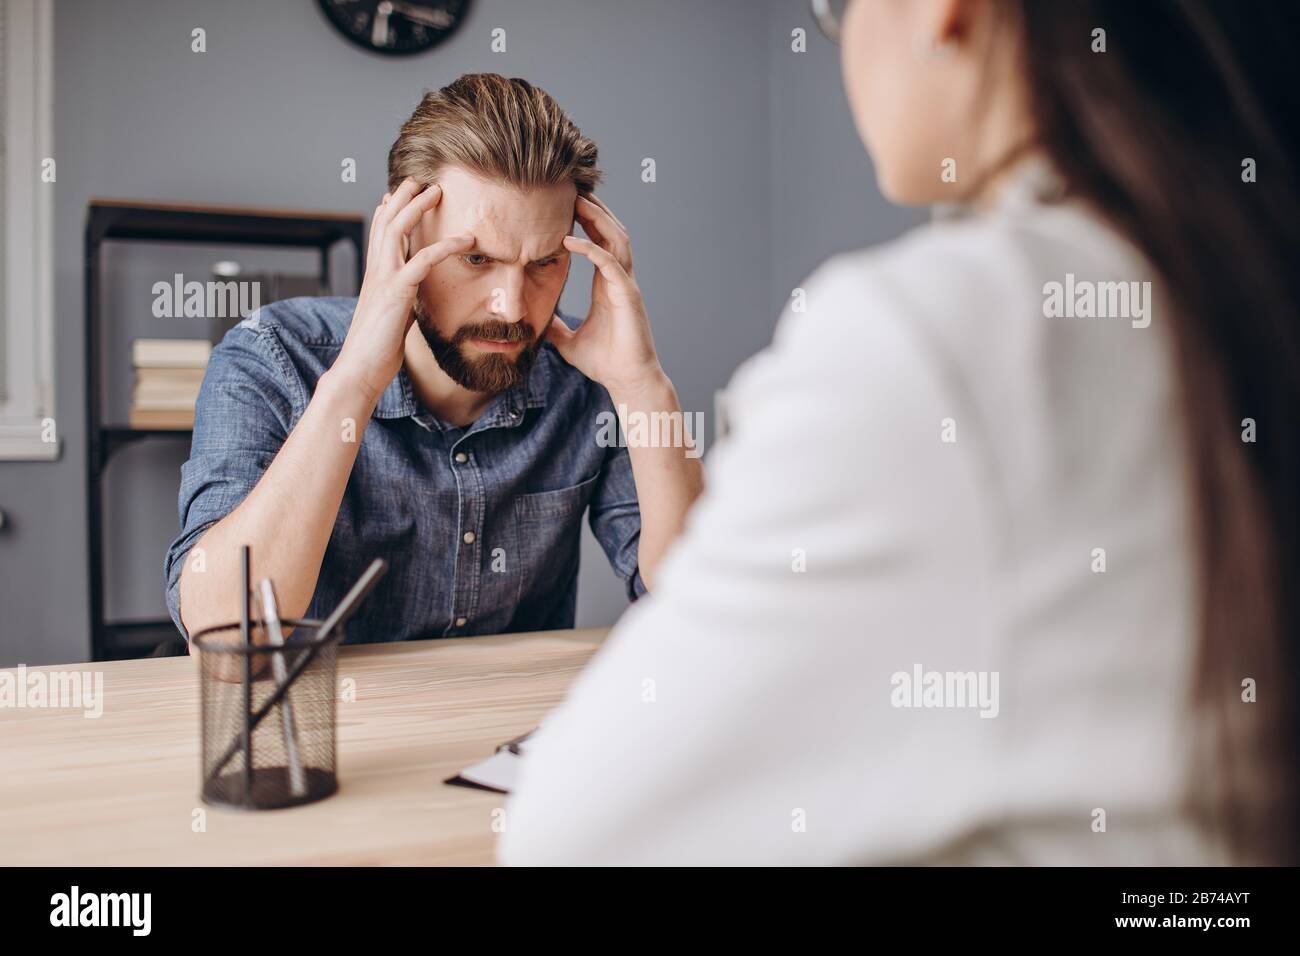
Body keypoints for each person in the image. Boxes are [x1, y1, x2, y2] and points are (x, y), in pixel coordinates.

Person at [500, 0, 1299, 865]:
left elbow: (570, 833)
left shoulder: (938, 334)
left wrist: (640, 385)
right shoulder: (1240, 273)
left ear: (941, 10)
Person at [165, 73, 703, 646]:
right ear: (402, 239)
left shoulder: (589, 378)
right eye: (474, 259)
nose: (511, 307)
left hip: (513, 732)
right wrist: (355, 382)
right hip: (330, 732)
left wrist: (644, 387)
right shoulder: (270, 358)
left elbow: (703, 607)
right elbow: (227, 634)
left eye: (544, 263)